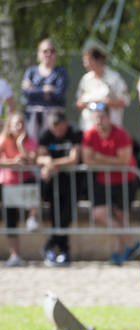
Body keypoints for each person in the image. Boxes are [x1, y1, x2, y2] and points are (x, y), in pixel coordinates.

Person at [81, 102, 140, 265]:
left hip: (125, 179)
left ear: (109, 117)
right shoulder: (89, 134)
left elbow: (123, 162)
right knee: (99, 215)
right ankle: (130, 244)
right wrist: (110, 161)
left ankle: (117, 253)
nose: (99, 120)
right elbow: (87, 160)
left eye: (102, 116)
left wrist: (99, 157)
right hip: (104, 180)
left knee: (121, 216)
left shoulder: (121, 133)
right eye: (96, 117)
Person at [37, 112, 81, 266]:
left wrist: (52, 164)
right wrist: (47, 161)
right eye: (56, 129)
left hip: (72, 182)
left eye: (62, 129)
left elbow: (74, 159)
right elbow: (40, 156)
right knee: (56, 217)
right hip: (52, 183)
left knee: (66, 216)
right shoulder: (45, 134)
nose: (59, 133)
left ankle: (50, 245)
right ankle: (63, 251)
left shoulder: (74, 132)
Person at [0, 112, 38, 266]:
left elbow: (30, 161)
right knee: (10, 219)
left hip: (26, 180)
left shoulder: (29, 141)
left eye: (22, 123)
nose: (19, 126)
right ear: (9, 126)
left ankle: (32, 217)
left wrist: (21, 145)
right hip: (9, 182)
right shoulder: (3, 140)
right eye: (16, 123)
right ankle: (14, 254)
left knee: (34, 186)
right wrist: (13, 162)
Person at [22, 38, 68, 141]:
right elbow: (26, 93)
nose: (48, 54)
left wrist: (34, 90)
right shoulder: (31, 71)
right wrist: (45, 90)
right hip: (32, 117)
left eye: (52, 51)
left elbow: (59, 94)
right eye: (45, 51)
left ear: (56, 54)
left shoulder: (61, 72)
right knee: (32, 146)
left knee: (50, 146)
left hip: (54, 118)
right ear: (39, 53)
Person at [75, 46, 129, 130]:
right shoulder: (86, 79)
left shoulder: (114, 78)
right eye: (84, 61)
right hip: (88, 129)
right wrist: (86, 103)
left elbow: (124, 101)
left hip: (110, 130)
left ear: (99, 60)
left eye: (89, 60)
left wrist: (103, 103)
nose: (86, 64)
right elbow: (78, 103)